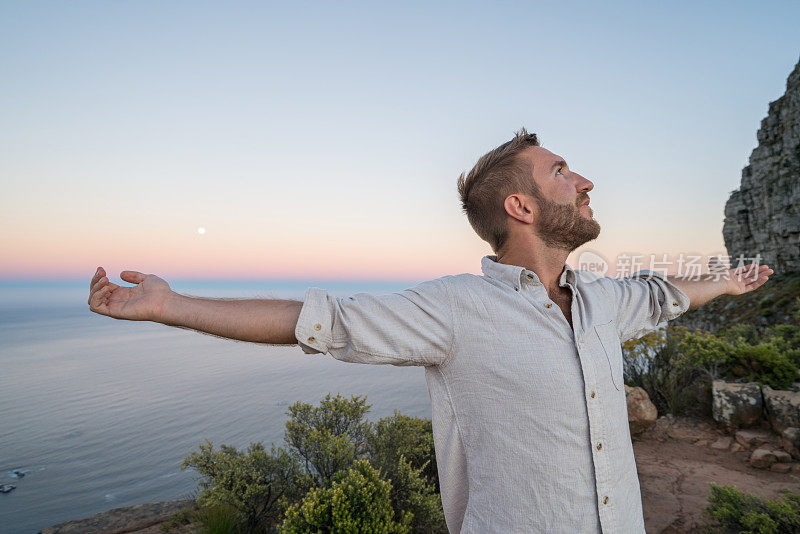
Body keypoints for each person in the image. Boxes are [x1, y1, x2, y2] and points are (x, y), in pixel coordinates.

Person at [88, 128, 773, 533]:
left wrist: (728, 282)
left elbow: (661, 295)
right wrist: (171, 306)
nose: (586, 180)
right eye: (563, 172)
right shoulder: (453, 310)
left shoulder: (601, 299)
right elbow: (318, 321)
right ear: (520, 205)